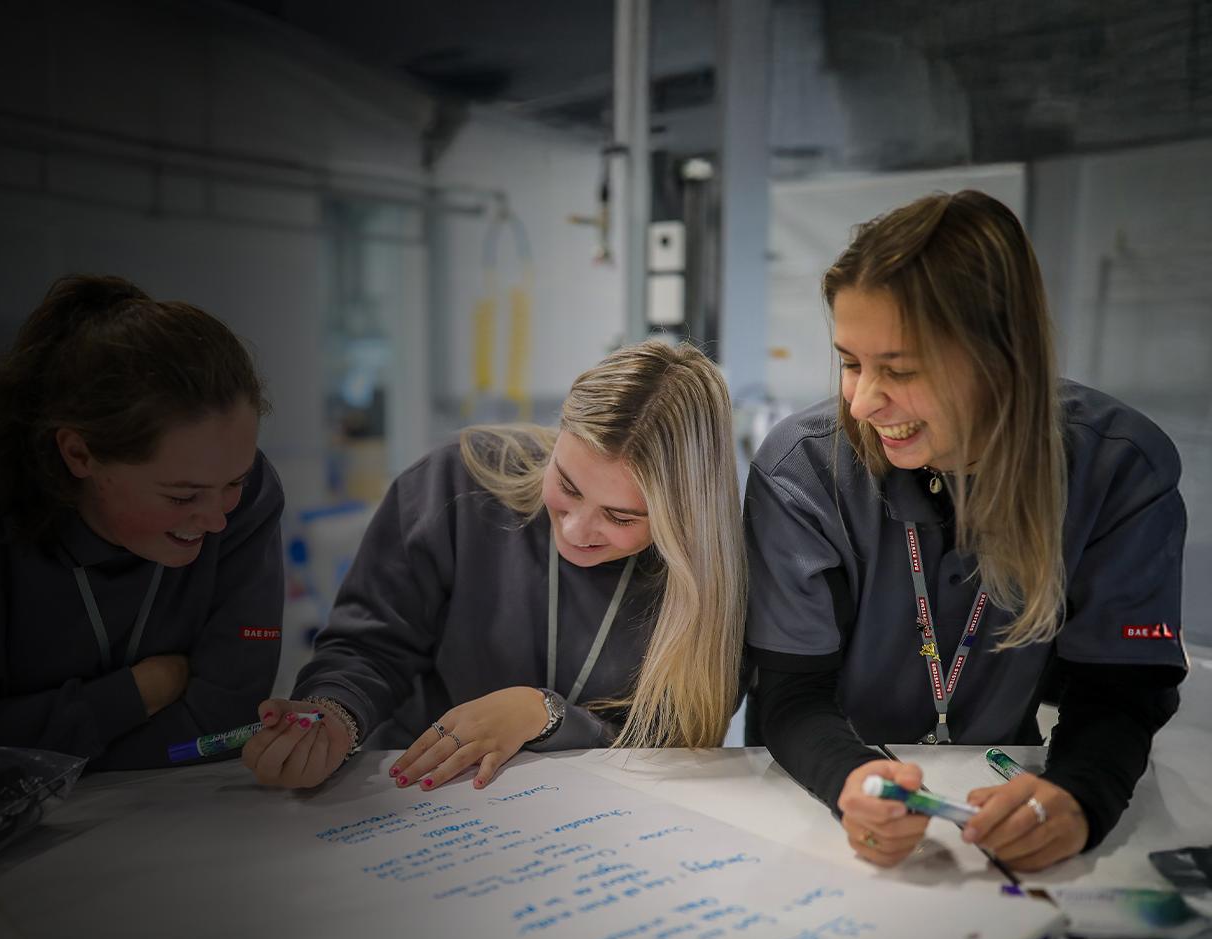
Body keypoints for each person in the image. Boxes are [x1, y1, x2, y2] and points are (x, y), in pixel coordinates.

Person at [745, 190, 1187, 872]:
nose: (863, 402)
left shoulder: (1120, 468)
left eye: (899, 369)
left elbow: (1121, 691)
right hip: (826, 795)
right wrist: (849, 780)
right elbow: (789, 693)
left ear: (1000, 360)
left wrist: (1077, 798)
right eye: (850, 362)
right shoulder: (802, 470)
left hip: (1005, 790)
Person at [242, 340, 746, 790]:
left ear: (684, 519)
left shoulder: (711, 582)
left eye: (620, 517)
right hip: (422, 794)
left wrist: (545, 716)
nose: (574, 531)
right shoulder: (454, 484)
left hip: (598, 824)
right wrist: (335, 711)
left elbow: (676, 748)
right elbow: (370, 645)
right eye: (567, 486)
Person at [0, 274, 285, 771]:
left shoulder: (249, 498)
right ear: (79, 453)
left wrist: (38, 739)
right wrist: (137, 692)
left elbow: (224, 732)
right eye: (182, 495)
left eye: (233, 481)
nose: (216, 519)